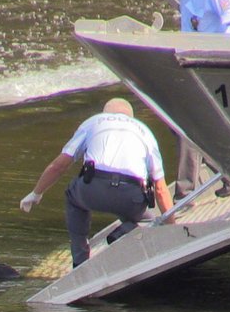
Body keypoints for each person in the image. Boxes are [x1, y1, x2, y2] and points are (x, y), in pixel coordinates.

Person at [19, 98, 175, 268]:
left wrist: (36, 192)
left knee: (72, 196)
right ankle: (126, 230)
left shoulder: (93, 123)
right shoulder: (145, 132)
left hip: (93, 191)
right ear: (131, 116)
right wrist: (173, 228)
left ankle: (80, 260)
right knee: (149, 220)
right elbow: (160, 189)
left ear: (104, 113)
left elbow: (59, 165)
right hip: (130, 197)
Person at [171, 0, 230, 200]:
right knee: (178, 122)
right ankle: (229, 175)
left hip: (210, 67)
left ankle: (185, 194)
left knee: (187, 126)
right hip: (191, 65)